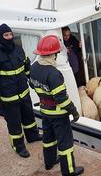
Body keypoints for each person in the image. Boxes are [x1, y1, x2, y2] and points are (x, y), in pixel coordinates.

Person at [30, 35, 84, 176]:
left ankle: (49, 162)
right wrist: (73, 111)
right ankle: (69, 171)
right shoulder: (54, 74)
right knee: (65, 143)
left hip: (45, 111)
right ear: (53, 54)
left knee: (48, 138)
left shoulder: (34, 67)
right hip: (59, 115)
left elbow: (32, 85)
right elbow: (61, 99)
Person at [0, 23, 42, 158]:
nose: (9, 37)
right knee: (14, 124)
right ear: (0, 37)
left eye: (10, 34)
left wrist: (31, 80)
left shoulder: (18, 49)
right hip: (8, 98)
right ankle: (18, 146)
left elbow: (26, 65)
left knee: (29, 117)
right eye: (6, 35)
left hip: (24, 93)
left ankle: (32, 136)